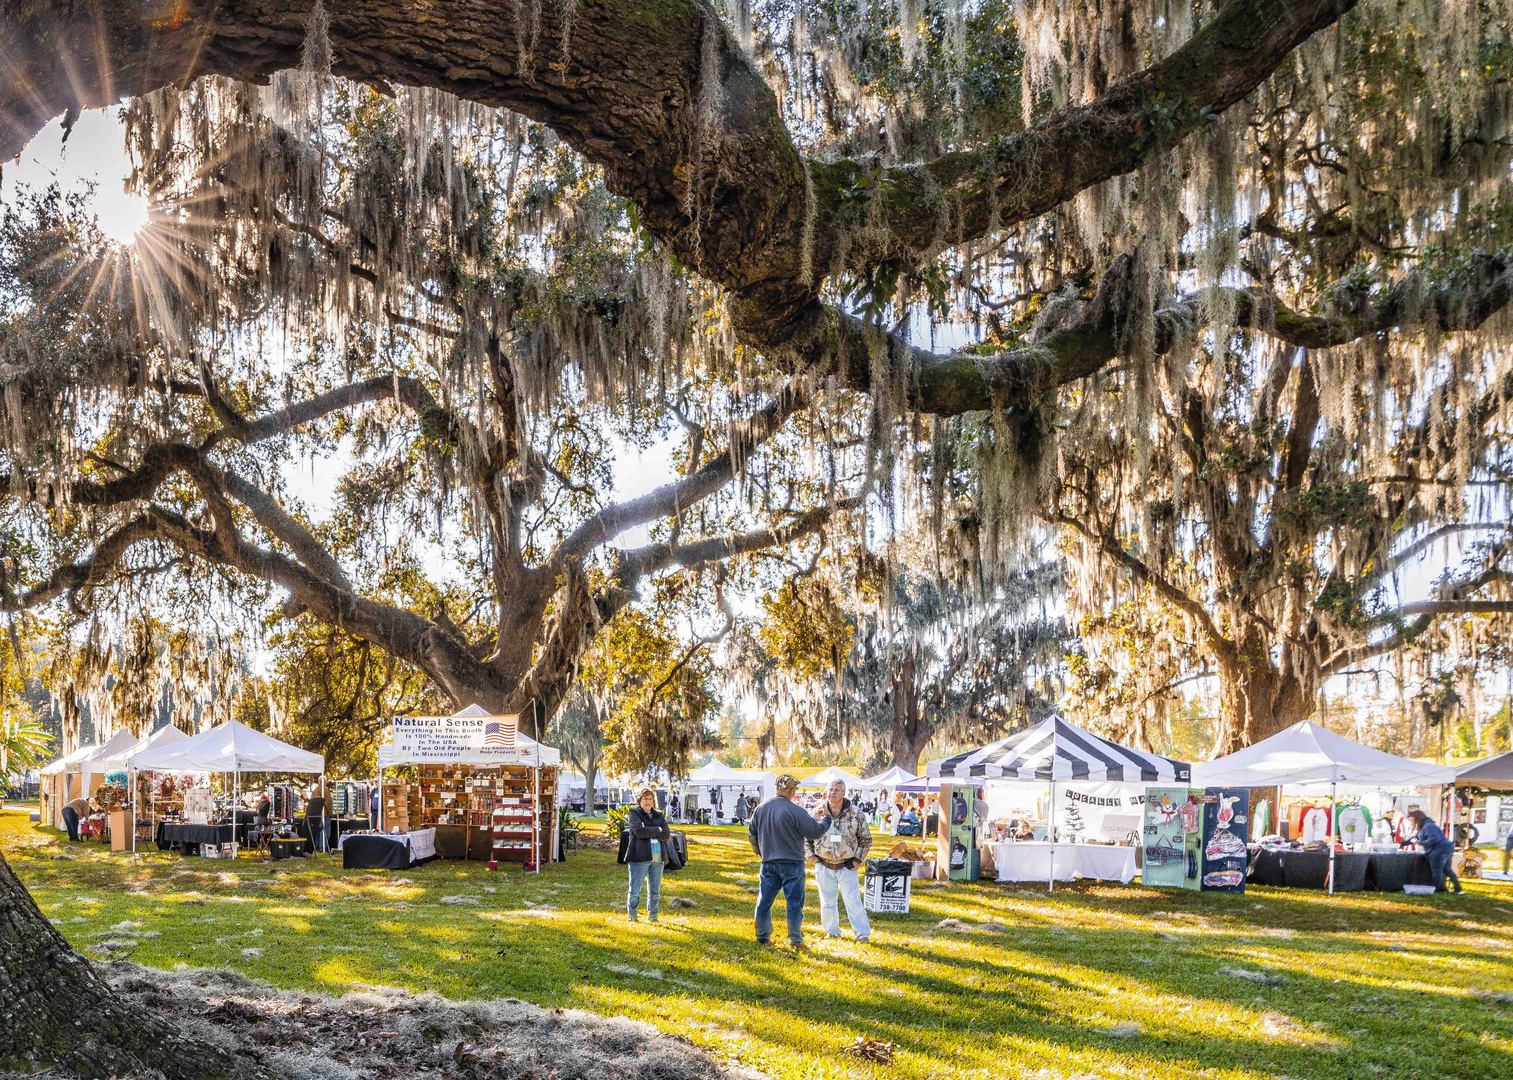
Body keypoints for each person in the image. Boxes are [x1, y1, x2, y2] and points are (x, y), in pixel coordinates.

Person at [749, 774, 832, 947]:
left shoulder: (760, 809)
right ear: (791, 790)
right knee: (794, 903)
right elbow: (815, 832)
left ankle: (762, 937)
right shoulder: (795, 811)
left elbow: (752, 835)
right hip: (792, 863)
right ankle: (795, 939)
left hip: (768, 863)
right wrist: (827, 819)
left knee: (764, 901)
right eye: (794, 788)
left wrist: (762, 853)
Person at [809, 779, 873, 942]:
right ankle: (832, 931)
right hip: (824, 864)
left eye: (837, 790)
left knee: (852, 901)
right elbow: (806, 837)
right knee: (827, 901)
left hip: (847, 865)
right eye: (830, 789)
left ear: (843, 793)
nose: (832, 792)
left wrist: (858, 859)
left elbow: (866, 839)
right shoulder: (817, 812)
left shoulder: (856, 813)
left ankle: (862, 934)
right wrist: (811, 856)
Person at [625, 788, 671, 922]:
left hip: (658, 857)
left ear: (653, 801)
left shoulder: (659, 815)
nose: (647, 801)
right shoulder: (635, 814)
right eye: (645, 799)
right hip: (639, 856)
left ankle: (653, 916)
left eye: (650, 799)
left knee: (655, 891)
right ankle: (632, 916)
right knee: (635, 890)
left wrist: (649, 831)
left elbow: (666, 834)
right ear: (640, 800)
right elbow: (639, 831)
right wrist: (657, 829)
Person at [1405, 809, 1462, 894]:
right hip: (1446, 848)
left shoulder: (1428, 826)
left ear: (1417, 818)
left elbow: (1434, 839)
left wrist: (1420, 842)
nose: (1411, 822)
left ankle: (1436, 890)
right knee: (1447, 870)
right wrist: (1403, 843)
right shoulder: (1424, 826)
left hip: (1440, 850)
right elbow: (1414, 838)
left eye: (1412, 820)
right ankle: (1459, 889)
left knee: (1437, 871)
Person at [305, 786, 327, 854]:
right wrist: (329, 812)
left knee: (315, 833)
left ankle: (317, 847)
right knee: (319, 832)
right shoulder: (324, 791)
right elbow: (328, 803)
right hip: (319, 816)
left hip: (313, 818)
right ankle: (320, 848)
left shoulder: (315, 792)